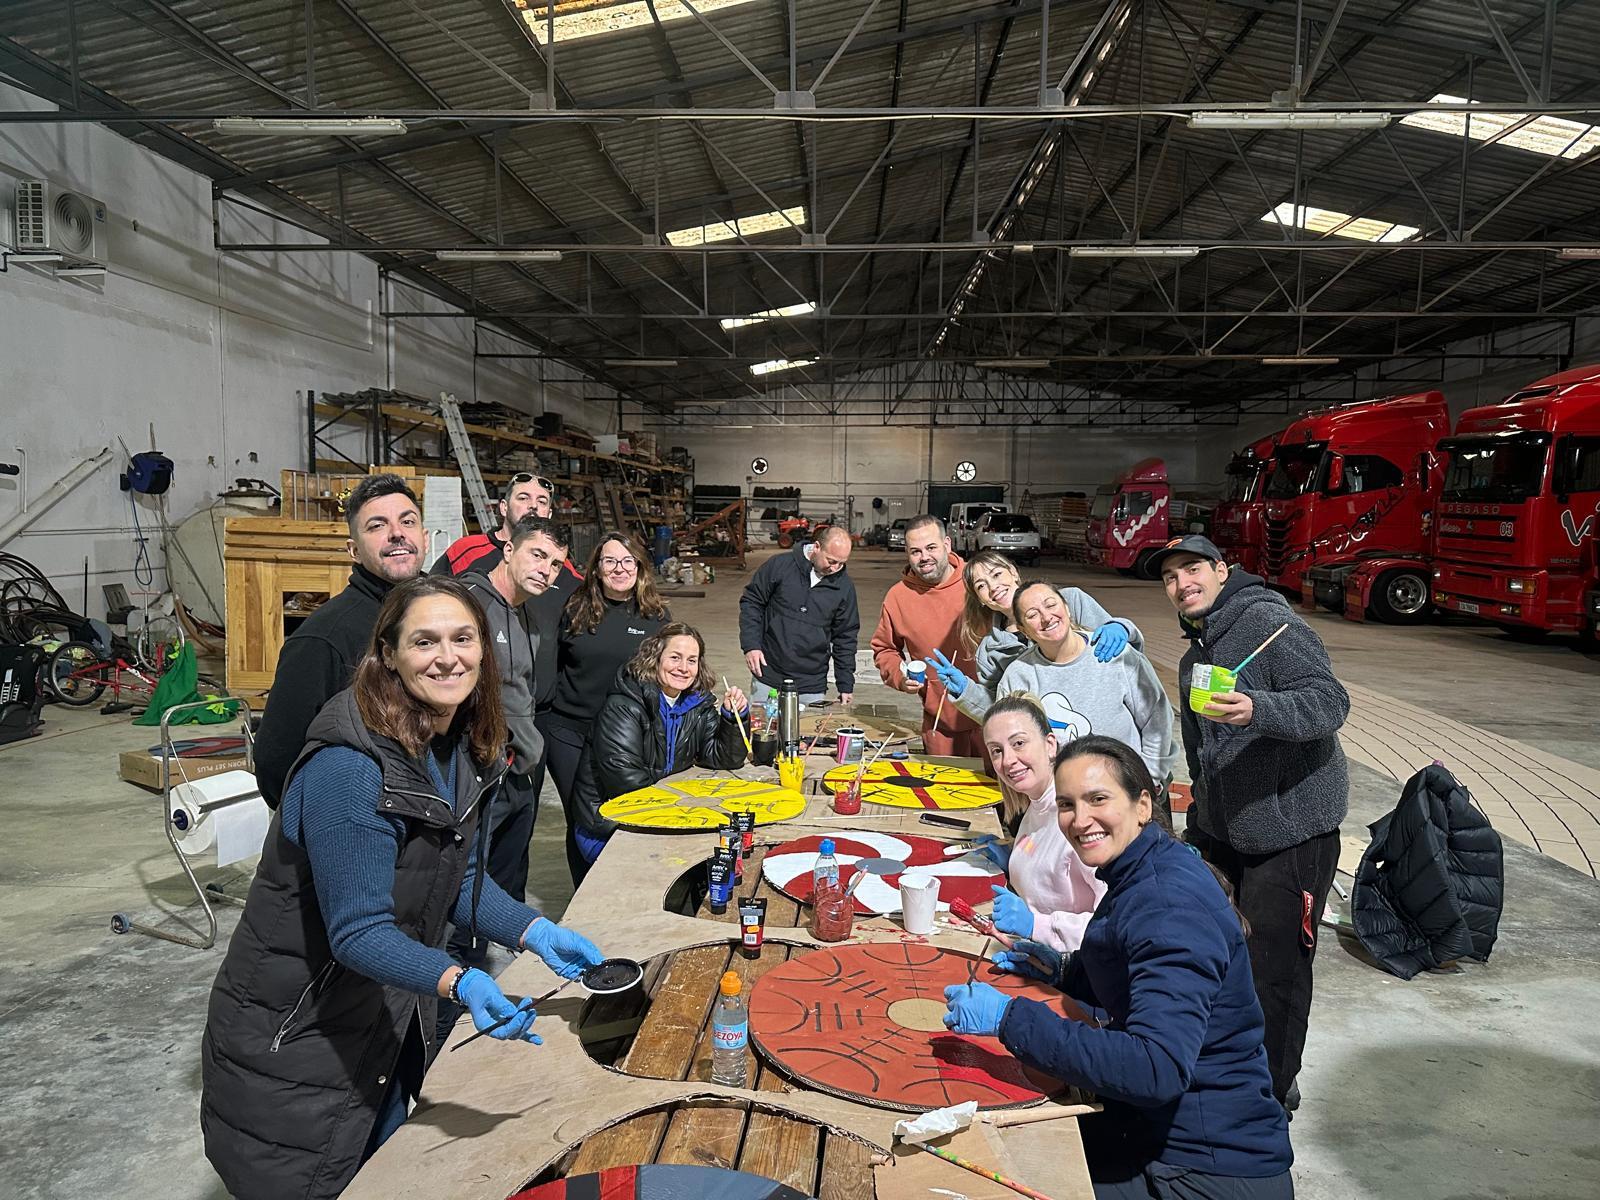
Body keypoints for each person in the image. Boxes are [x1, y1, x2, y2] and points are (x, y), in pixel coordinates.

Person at [201, 577, 606, 1200]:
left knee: (389, 1167)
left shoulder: (451, 743)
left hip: (378, 1013)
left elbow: (455, 874)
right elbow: (358, 931)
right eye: (424, 641)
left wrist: (532, 930)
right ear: (387, 653)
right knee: (324, 1175)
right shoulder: (351, 766)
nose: (448, 656)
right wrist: (459, 980)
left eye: (462, 638)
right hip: (303, 1028)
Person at [943, 737, 1294, 1199]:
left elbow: (1156, 1068)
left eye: (1098, 799)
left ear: (1143, 804)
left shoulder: (1169, 907)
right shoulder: (1140, 868)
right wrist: (1066, 973)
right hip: (1159, 1130)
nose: (1079, 819)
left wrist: (1011, 1019)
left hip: (1204, 1165)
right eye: (1067, 804)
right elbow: (1140, 976)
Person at [1153, 533, 1349, 1113]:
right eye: (1170, 577)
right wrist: (1199, 826)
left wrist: (1260, 708)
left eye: (1193, 570)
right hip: (1226, 828)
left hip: (1291, 831)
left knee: (1277, 970)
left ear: (1221, 570)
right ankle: (1227, 1064)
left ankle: (1269, 1093)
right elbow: (1204, 754)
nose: (1182, 584)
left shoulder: (1272, 627)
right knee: (1220, 953)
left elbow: (1329, 702)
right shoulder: (1196, 654)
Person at [253, 473, 426, 808]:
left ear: (425, 536)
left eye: (408, 521)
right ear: (354, 550)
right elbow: (276, 762)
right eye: (376, 526)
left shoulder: (441, 615)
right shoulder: (324, 637)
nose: (397, 533)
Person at [569, 623, 749, 878]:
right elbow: (628, 785)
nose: (683, 668)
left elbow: (723, 757)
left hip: (660, 816)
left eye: (691, 660)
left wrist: (732, 717)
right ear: (655, 658)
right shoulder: (623, 707)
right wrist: (687, 808)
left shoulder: (696, 703)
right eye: (675, 657)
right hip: (612, 824)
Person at [543, 530, 670, 884]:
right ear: (597, 568)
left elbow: (669, 674)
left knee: (623, 813)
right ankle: (583, 892)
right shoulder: (574, 607)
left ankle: (619, 885)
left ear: (640, 568)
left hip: (624, 736)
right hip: (569, 731)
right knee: (581, 818)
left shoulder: (655, 616)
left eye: (627, 561)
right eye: (610, 561)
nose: (619, 568)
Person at [459, 515, 568, 896]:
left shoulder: (528, 613)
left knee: (506, 881)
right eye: (538, 555)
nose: (546, 570)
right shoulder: (469, 603)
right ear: (509, 550)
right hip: (482, 774)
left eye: (555, 564)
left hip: (519, 772)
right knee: (467, 884)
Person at [993, 580, 1175, 792]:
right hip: (1061, 797)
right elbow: (1010, 739)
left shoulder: (1114, 654)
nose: (1046, 617)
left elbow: (1157, 719)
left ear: (1067, 608)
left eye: (1051, 605)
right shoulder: (1018, 675)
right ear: (1024, 630)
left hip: (1127, 789)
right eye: (1032, 615)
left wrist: (1149, 779)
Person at [931, 550, 1143, 725]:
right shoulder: (990, 652)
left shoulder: (1070, 602)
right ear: (980, 600)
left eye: (996, 575)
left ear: (1013, 572)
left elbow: (1131, 666)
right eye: (981, 586)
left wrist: (1122, 627)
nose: (993, 587)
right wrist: (967, 692)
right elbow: (1001, 711)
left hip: (1106, 721)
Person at [976, 695, 1105, 952]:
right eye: (996, 751)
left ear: (1050, 745)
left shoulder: (1081, 819)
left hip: (1078, 973)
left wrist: (1037, 925)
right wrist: (1016, 859)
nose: (1008, 759)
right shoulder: (1037, 805)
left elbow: (1116, 924)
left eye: (1019, 743)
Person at [869, 514, 984, 757]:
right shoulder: (898, 597)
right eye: (915, 551)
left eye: (931, 547)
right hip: (940, 723)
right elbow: (885, 649)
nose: (924, 558)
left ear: (947, 545)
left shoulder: (978, 583)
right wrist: (900, 676)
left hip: (992, 717)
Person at [739, 526, 860, 705]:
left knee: (807, 732)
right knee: (763, 730)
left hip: (810, 683)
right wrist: (751, 646)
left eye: (842, 563)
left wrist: (845, 684)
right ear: (817, 547)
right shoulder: (780, 566)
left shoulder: (844, 588)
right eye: (831, 561)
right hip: (768, 674)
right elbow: (752, 602)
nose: (835, 568)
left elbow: (845, 637)